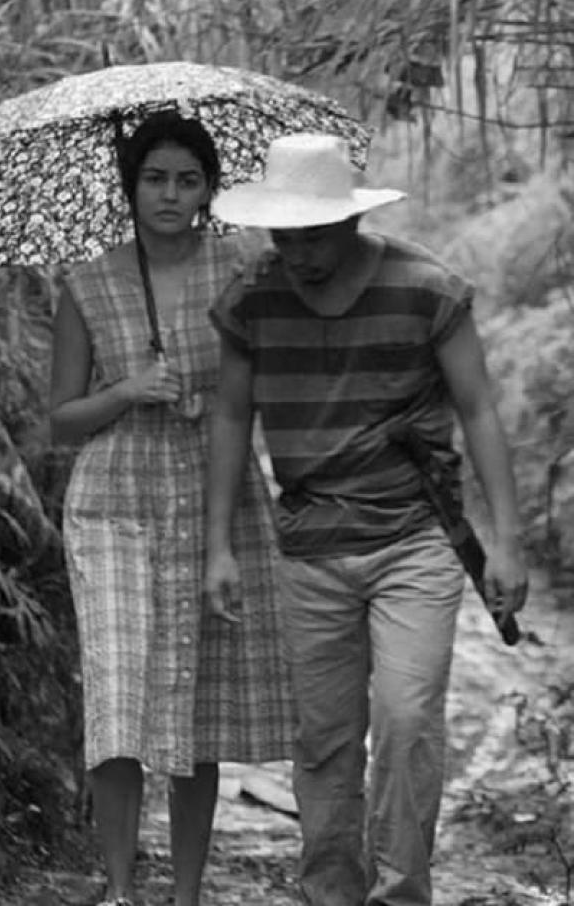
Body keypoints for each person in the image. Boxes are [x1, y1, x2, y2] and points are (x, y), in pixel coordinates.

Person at [205, 132, 528, 906]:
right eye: (285, 236)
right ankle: (330, 893)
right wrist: (218, 544)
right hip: (310, 545)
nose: (299, 253)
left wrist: (507, 545)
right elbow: (229, 416)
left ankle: (401, 892)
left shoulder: (427, 289)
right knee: (324, 741)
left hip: (414, 540)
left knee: (409, 718)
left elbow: (479, 409)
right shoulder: (253, 297)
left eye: (314, 236)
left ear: (351, 222)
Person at [49, 111, 291, 906]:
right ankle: (120, 890)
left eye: (188, 180)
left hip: (214, 493)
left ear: (208, 191)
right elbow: (59, 421)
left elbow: (250, 395)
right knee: (117, 696)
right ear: (132, 185)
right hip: (113, 501)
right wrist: (125, 389)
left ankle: (185, 895)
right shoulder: (87, 281)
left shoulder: (241, 269)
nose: (170, 194)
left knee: (198, 703)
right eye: (155, 177)